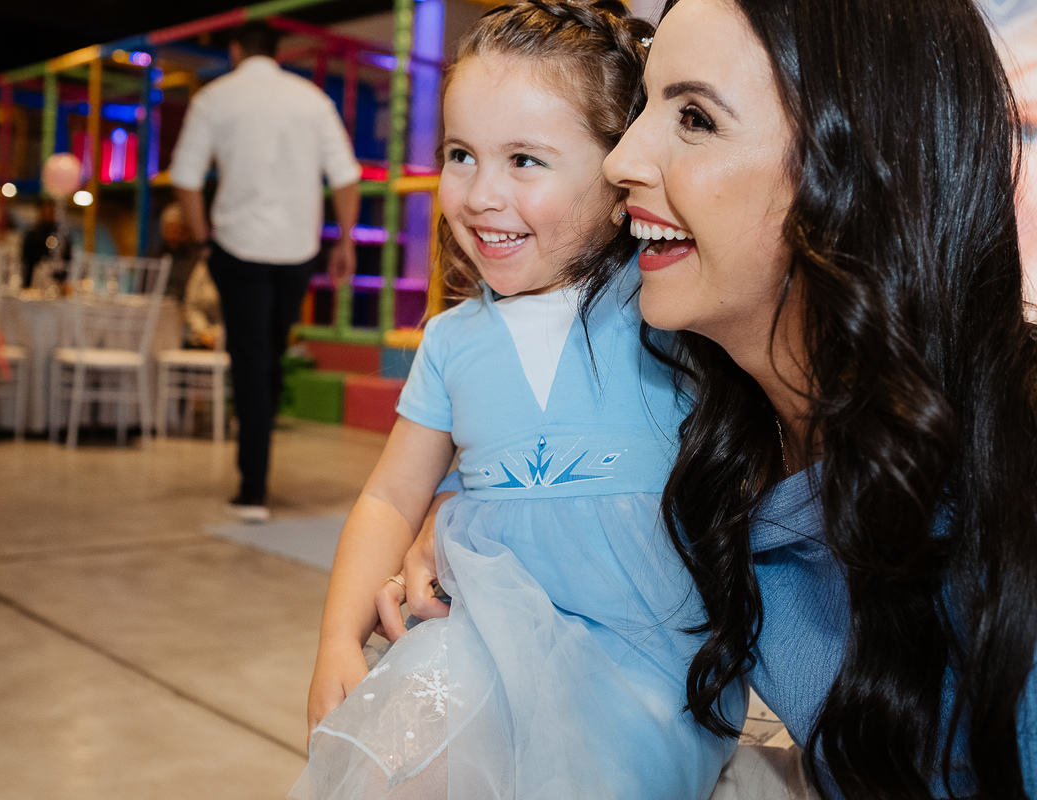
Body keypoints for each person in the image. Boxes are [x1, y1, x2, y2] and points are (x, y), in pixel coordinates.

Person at [294, 3, 743, 798]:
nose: (479, 193)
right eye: (460, 154)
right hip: (478, 649)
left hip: (645, 672)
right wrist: (337, 637)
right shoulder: (451, 341)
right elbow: (389, 497)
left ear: (621, 177)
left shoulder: (667, 309)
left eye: (525, 160)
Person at [599, 0, 1037, 796]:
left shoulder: (1010, 508)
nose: (620, 160)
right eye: (643, 107)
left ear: (859, 171)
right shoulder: (707, 422)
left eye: (695, 118)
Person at [170, 21, 362, 522]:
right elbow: (346, 176)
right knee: (271, 355)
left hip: (237, 248)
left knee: (250, 360)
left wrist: (202, 240)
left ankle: (252, 487)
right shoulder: (312, 99)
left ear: (236, 50)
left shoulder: (214, 98)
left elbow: (185, 177)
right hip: (297, 250)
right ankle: (257, 467)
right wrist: (344, 241)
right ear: (279, 52)